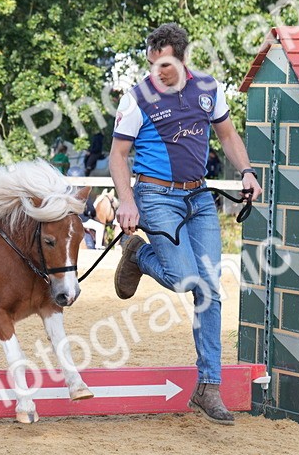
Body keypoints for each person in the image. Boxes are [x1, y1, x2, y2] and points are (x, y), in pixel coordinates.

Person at [110, 23, 262, 426]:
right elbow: (118, 155)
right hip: (155, 197)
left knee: (210, 287)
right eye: (151, 62)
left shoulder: (209, 89)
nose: (155, 71)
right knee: (185, 281)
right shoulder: (137, 97)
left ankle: (208, 385)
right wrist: (127, 201)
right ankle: (139, 254)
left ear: (181, 59)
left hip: (199, 198)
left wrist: (246, 170)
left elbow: (227, 135)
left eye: (163, 64)